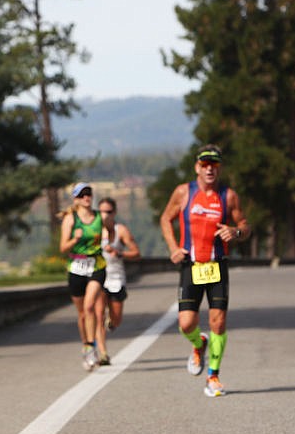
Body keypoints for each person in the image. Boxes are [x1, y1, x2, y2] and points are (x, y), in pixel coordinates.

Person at [159, 144, 250, 397]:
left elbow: (244, 225)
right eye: (205, 164)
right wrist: (173, 247)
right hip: (191, 265)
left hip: (217, 265)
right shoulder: (183, 192)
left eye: (215, 164)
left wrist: (236, 232)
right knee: (186, 323)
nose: (210, 169)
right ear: (197, 167)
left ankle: (213, 376)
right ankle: (199, 345)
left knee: (218, 321)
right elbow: (166, 218)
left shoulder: (228, 195)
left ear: (219, 168)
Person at [59, 182, 106, 372]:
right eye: (83, 195)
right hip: (76, 267)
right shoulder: (71, 219)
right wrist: (75, 239)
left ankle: (92, 347)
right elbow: (62, 247)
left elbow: (111, 230)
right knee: (82, 313)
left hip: (96, 265)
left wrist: (110, 239)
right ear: (76, 199)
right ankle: (87, 346)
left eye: (89, 194)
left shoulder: (99, 217)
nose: (87, 198)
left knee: (89, 307)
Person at [94, 197, 141, 365]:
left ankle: (111, 323)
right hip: (98, 277)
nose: (104, 215)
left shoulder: (120, 230)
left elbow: (136, 253)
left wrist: (119, 253)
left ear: (114, 213)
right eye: (100, 212)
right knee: (98, 315)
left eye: (107, 211)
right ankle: (103, 354)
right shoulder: (95, 230)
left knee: (116, 318)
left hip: (116, 278)